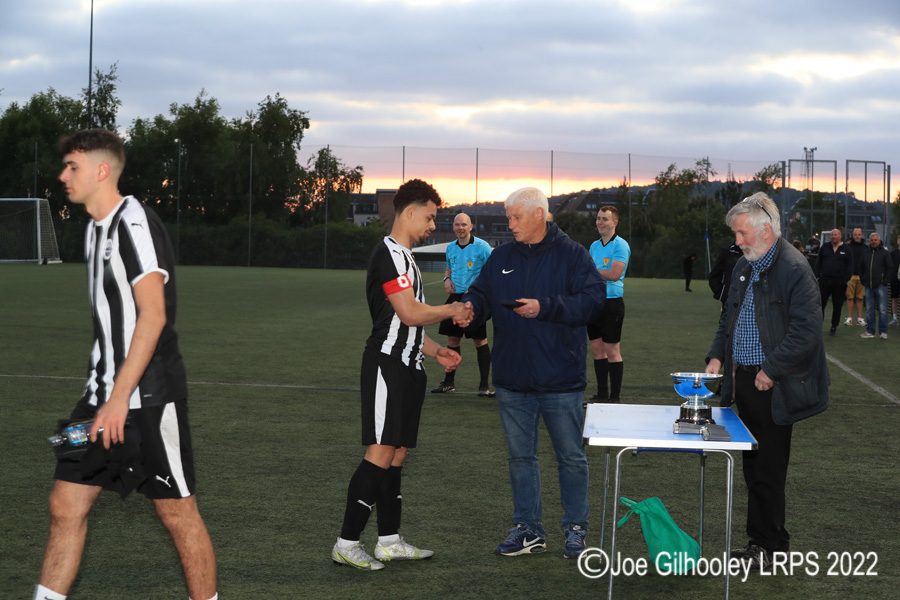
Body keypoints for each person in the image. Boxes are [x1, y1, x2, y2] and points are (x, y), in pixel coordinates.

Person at [36, 129, 217, 600]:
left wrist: (119, 400)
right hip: (101, 398)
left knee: (177, 513)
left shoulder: (131, 222)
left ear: (101, 170)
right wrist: (107, 397)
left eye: (72, 166)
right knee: (65, 505)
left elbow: (153, 315)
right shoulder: (95, 230)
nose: (63, 176)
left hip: (148, 398)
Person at [331, 179, 472, 571]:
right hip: (386, 367)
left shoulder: (407, 258)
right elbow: (408, 312)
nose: (433, 226)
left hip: (410, 367)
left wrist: (436, 349)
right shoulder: (388, 254)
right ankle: (346, 542)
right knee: (379, 452)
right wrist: (453, 310)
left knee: (396, 455)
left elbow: (409, 323)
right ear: (409, 212)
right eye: (429, 217)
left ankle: (389, 541)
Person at [462, 187, 606, 560]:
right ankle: (528, 529)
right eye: (508, 217)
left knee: (571, 458)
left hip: (560, 379)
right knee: (520, 458)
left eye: (515, 218)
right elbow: (481, 293)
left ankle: (576, 529)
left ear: (539, 215)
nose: (509, 224)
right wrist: (469, 309)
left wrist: (546, 306)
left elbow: (593, 302)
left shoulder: (573, 255)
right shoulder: (502, 256)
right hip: (511, 379)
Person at [705, 192, 829, 571]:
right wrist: (716, 356)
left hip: (774, 386)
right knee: (753, 466)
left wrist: (770, 369)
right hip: (744, 382)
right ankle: (764, 542)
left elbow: (807, 330)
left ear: (765, 230)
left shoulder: (794, 267)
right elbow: (729, 317)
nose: (737, 241)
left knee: (768, 469)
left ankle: (769, 547)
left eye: (742, 233)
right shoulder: (745, 265)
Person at [431, 212, 494, 396]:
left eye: (464, 225)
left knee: (479, 341)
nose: (460, 228)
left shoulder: (482, 246)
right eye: (457, 225)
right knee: (452, 340)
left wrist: (478, 288)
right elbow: (449, 268)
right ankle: (449, 383)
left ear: (471, 226)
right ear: (454, 226)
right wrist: (446, 279)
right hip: (454, 298)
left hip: (474, 299)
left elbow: (492, 270)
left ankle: (484, 387)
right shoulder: (450, 247)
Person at [586, 206, 630, 404]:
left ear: (615, 223)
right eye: (598, 218)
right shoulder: (594, 246)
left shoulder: (620, 245)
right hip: (593, 302)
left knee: (612, 350)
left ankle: (615, 397)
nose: (600, 222)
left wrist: (591, 270)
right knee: (597, 349)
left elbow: (614, 274)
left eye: (605, 219)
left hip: (612, 304)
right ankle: (602, 395)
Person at [814, 229, 853, 336]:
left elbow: (850, 265)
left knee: (837, 304)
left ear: (840, 236)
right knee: (820, 304)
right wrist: (817, 276)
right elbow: (818, 262)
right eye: (832, 235)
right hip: (824, 280)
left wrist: (846, 279)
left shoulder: (846, 249)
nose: (833, 236)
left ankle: (833, 326)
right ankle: (818, 326)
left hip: (839, 282)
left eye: (835, 235)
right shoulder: (825, 247)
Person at [859, 232, 894, 340]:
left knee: (883, 310)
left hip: (881, 286)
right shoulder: (866, 253)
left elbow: (890, 268)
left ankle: (883, 332)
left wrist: (885, 281)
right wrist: (863, 279)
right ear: (870, 241)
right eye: (872, 240)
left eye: (875, 240)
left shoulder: (885, 253)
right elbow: (861, 268)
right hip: (868, 286)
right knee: (869, 309)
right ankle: (870, 331)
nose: (873, 242)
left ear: (879, 241)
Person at [844, 228, 867, 326]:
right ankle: (849, 318)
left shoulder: (866, 248)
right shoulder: (848, 247)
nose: (857, 236)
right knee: (849, 298)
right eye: (855, 235)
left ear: (861, 236)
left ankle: (860, 318)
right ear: (853, 236)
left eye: (859, 234)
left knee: (860, 298)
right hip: (850, 276)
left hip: (861, 277)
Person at [708, 243, 742, 308]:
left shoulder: (759, 251)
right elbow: (714, 275)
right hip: (730, 303)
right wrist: (722, 295)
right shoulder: (727, 251)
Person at [889, 235, 900, 326]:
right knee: (895, 298)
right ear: (897, 241)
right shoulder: (893, 253)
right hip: (895, 279)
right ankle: (895, 318)